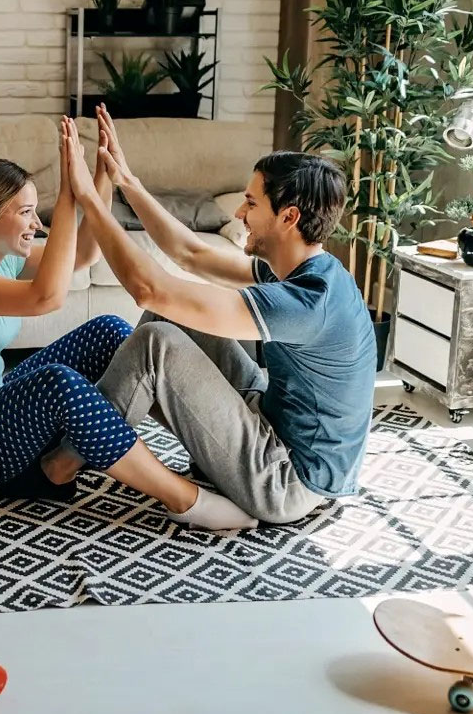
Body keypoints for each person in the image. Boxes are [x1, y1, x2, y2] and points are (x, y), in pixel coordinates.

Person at [0, 116, 258, 531]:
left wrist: (98, 177)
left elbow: (85, 254)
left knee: (109, 331)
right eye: (26, 213)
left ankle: (204, 451)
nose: (36, 224)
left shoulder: (0, 256)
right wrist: (67, 192)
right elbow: (47, 297)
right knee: (58, 383)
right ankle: (185, 500)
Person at [47, 110, 376, 525]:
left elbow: (149, 288)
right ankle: (88, 437)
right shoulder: (303, 268)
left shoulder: (307, 301)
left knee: (156, 344)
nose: (239, 213)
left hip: (287, 479)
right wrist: (126, 182)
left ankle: (60, 465)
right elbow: (192, 254)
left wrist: (91, 200)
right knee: (168, 319)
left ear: (289, 217)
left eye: (251, 203)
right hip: (272, 420)